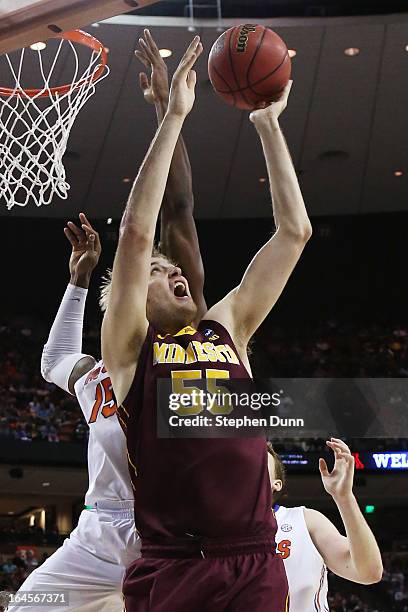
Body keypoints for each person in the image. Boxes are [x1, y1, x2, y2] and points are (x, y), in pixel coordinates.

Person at [102, 34, 312, 611]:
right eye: (156, 271)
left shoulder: (227, 329)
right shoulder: (129, 352)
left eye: (174, 267)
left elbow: (294, 234)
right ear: (126, 303)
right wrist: (171, 117)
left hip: (254, 560)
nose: (172, 271)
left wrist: (269, 128)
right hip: (176, 566)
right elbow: (138, 234)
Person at [8, 29, 205, 612]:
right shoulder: (99, 371)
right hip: (99, 535)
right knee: (27, 607)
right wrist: (76, 279)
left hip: (173, 535)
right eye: (153, 269)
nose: (173, 274)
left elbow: (179, 210)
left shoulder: (191, 343)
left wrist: (170, 116)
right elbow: (53, 363)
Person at [268, 439, 383, 611]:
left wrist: (344, 497)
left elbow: (369, 572)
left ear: (276, 484)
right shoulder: (215, 531)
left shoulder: (305, 520)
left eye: (259, 463)